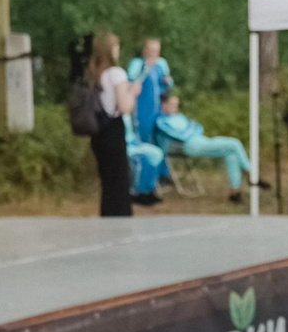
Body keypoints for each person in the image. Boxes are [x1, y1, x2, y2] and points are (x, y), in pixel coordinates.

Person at [152, 91, 257, 200]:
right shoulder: (162, 121)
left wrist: (190, 130)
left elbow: (197, 126)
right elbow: (178, 135)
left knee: (230, 152)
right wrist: (190, 131)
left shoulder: (179, 116)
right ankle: (251, 173)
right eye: (172, 105)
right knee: (234, 143)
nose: (175, 108)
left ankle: (235, 190)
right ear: (163, 105)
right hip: (190, 145)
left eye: (176, 105)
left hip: (200, 139)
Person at [80, 30, 139, 216]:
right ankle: (120, 216)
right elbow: (125, 106)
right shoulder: (116, 74)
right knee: (119, 181)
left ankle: (106, 216)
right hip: (113, 128)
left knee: (107, 181)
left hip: (98, 130)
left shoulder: (94, 74)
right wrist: (133, 92)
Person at [125, 37, 176, 203]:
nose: (154, 54)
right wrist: (145, 69)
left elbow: (168, 83)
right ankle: (142, 185)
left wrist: (167, 82)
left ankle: (162, 175)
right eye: (152, 50)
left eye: (157, 50)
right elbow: (131, 83)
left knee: (160, 141)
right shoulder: (137, 64)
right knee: (144, 143)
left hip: (158, 111)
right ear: (145, 50)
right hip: (142, 112)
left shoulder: (161, 64)